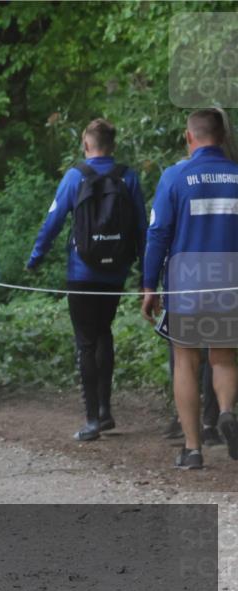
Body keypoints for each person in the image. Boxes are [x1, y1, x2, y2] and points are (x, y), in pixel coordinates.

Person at [27, 119, 147, 441]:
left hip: (82, 272)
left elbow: (53, 220)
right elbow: (141, 227)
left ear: (85, 144)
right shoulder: (128, 176)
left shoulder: (75, 176)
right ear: (113, 144)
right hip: (115, 273)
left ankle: (92, 419)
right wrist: (147, 274)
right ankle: (105, 412)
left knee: (86, 340)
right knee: (103, 332)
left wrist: (36, 258)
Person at [142, 109, 238, 468]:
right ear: (223, 137)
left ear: (189, 137)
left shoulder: (175, 176)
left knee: (186, 361)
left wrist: (149, 284)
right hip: (231, 278)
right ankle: (226, 412)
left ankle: (193, 449)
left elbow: (158, 234)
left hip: (187, 282)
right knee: (224, 357)